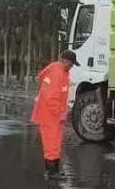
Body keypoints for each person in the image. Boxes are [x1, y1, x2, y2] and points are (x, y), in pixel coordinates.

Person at [30, 49, 79, 178]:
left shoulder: (60, 71)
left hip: (52, 113)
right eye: (71, 63)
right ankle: (51, 171)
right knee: (51, 142)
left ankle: (54, 169)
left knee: (54, 141)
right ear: (64, 61)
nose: (72, 66)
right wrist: (60, 114)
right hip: (50, 114)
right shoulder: (57, 73)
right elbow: (52, 98)